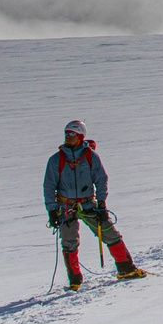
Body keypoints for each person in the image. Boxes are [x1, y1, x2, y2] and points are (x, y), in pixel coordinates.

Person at [43, 119, 146, 289]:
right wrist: (52, 210)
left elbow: (101, 180)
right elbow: (49, 186)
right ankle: (75, 281)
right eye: (66, 134)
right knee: (69, 244)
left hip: (89, 205)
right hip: (65, 207)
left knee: (110, 234)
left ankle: (126, 269)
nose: (67, 137)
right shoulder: (55, 160)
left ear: (81, 136)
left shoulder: (91, 157)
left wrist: (102, 203)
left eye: (72, 134)